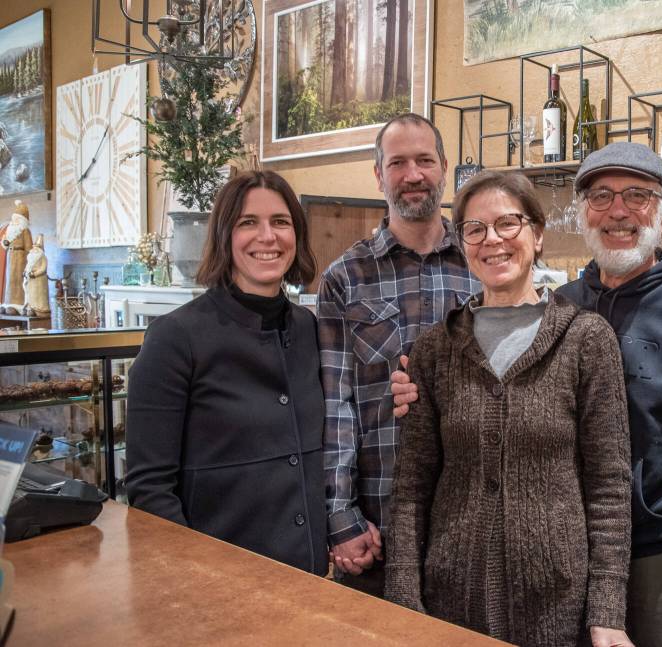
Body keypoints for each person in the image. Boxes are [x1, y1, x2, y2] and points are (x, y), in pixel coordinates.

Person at [393, 142, 662, 647]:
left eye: (636, 196)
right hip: (503, 582)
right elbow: (414, 484)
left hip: (660, 560)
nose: (617, 210)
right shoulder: (551, 310)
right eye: (601, 196)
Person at [385, 171, 633, 647]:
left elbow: (609, 488)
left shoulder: (586, 341)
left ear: (537, 234)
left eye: (507, 224)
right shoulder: (435, 350)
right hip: (449, 603)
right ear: (462, 244)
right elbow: (412, 487)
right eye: (475, 229)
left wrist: (607, 611)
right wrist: (403, 597)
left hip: (558, 609)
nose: (491, 240)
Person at [126, 170, 326, 574]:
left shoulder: (309, 328)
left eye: (281, 222)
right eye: (247, 223)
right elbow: (149, 490)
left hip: (310, 580)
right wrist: (198, 575)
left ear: (297, 235)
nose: (267, 237)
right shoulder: (175, 337)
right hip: (218, 582)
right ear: (223, 235)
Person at [318, 113, 479, 596]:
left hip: (472, 519)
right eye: (398, 163)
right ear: (378, 174)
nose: (413, 175)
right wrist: (340, 513)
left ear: (444, 168)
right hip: (378, 526)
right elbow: (336, 408)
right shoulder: (345, 278)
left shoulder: (483, 265)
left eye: (425, 160)